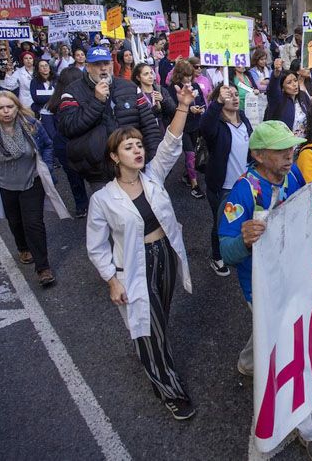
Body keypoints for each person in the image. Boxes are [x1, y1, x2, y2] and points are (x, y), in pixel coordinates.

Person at [218, 120, 312, 461]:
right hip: (260, 286)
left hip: (292, 276)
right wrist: (244, 239)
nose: (290, 155)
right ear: (258, 155)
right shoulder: (242, 191)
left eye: (291, 148)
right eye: (281, 150)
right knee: (291, 346)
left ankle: (248, 360)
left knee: (271, 336)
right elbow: (225, 251)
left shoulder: (293, 176)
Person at [86, 85, 197, 421]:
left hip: (164, 255)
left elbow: (170, 145)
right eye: (128, 146)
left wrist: (182, 106)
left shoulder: (152, 177)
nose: (137, 150)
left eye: (138, 144)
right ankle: (169, 389)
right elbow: (95, 246)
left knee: (157, 319)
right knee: (152, 329)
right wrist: (111, 281)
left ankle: (150, 356)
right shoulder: (103, 200)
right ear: (114, 157)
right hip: (134, 267)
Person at [0, 92, 70, 286]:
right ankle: (22, 247)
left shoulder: (31, 125)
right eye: (1, 108)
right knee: (15, 221)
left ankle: (43, 267)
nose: (6, 112)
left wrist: (45, 166)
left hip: (32, 182)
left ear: (16, 107)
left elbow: (47, 145)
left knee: (34, 224)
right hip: (4, 186)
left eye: (10, 107)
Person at [57, 46, 161, 192]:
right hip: (99, 172)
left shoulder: (130, 87)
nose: (103, 68)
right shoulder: (72, 91)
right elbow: (68, 127)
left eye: (106, 63)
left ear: (112, 65)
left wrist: (150, 160)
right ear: (87, 67)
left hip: (133, 167)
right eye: (97, 64)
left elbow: (149, 125)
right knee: (109, 212)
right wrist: (97, 101)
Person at [200, 84, 252, 278]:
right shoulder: (216, 123)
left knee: (242, 219)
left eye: (236, 94)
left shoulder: (244, 119)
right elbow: (205, 128)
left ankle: (237, 251)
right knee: (221, 223)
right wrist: (217, 103)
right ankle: (217, 255)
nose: (235, 98)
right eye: (229, 95)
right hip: (222, 187)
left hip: (243, 184)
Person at [44, 67, 90, 217]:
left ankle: (81, 205)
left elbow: (51, 132)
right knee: (93, 175)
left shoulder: (52, 103)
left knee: (74, 178)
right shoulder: (85, 98)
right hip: (82, 143)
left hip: (64, 146)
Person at [167, 59, 206, 199]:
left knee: (193, 153)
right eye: (186, 75)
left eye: (190, 75)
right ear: (179, 74)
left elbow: (202, 101)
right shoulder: (174, 87)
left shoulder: (195, 85)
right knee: (190, 154)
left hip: (195, 124)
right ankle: (195, 185)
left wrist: (201, 109)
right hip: (182, 127)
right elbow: (172, 108)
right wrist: (189, 109)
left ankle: (186, 175)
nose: (189, 78)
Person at [264, 60, 312, 137]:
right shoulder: (278, 100)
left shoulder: (303, 96)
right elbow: (272, 89)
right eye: (289, 82)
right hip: (285, 145)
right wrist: (276, 73)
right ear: (282, 87)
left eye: (295, 80)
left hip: (304, 144)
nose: (294, 84)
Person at [132, 62, 174, 135]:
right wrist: (154, 109)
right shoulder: (136, 94)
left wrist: (163, 100)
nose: (150, 76)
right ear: (138, 77)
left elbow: (173, 110)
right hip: (146, 132)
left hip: (164, 130)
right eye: (146, 74)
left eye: (151, 73)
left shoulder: (160, 89)